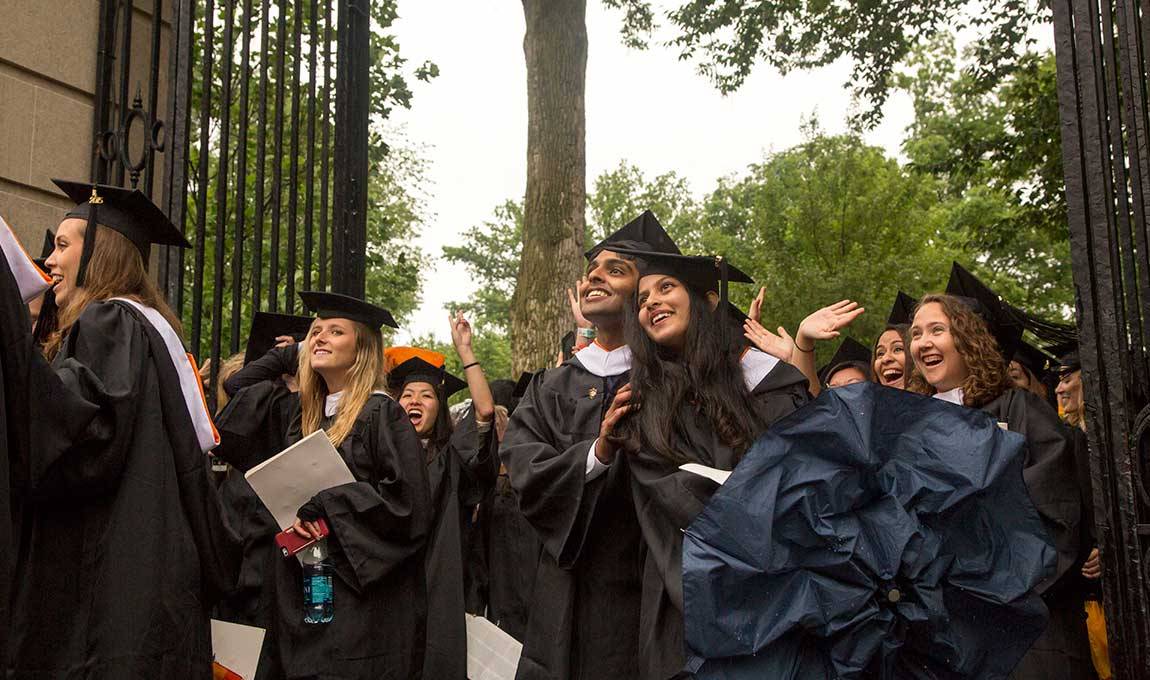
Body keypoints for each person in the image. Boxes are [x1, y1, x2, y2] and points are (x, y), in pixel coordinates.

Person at [0, 180, 238, 679]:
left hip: (108, 604)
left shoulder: (111, 322)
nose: (50, 260)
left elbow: (78, 439)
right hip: (148, 600)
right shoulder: (149, 330)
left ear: (100, 254)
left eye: (64, 246)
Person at [598, 247, 813, 680]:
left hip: (777, 583)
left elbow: (805, 471)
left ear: (706, 302)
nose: (651, 302)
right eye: (641, 300)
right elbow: (667, 491)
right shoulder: (640, 403)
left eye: (666, 287)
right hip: (686, 588)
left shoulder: (768, 381)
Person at [502, 210, 679, 679]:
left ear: (642, 297)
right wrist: (596, 455)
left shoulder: (672, 381)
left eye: (614, 270)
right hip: (563, 591)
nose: (594, 276)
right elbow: (522, 464)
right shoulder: (551, 386)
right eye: (592, 270)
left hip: (647, 589)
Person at [905, 293, 1091, 679]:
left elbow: (1055, 508)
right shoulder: (911, 429)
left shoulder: (1017, 409)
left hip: (1025, 623)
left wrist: (1002, 592)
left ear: (967, 339)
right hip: (947, 631)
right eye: (916, 333)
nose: (923, 342)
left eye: (937, 330)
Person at [254, 291, 432, 680]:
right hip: (304, 588)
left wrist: (329, 504)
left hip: (361, 605)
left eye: (335, 331)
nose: (319, 338)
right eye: (315, 331)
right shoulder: (304, 419)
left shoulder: (381, 413)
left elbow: (407, 506)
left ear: (363, 348)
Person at [386, 318, 498, 680]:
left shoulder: (452, 458)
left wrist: (465, 351)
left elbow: (484, 413)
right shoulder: (377, 459)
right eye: (407, 395)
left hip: (439, 586)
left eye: (427, 395)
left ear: (439, 409)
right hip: (388, 587)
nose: (415, 401)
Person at [212, 311, 314, 628]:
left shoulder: (317, 404)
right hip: (243, 525)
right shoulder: (262, 397)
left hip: (285, 533)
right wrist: (287, 356)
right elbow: (234, 382)